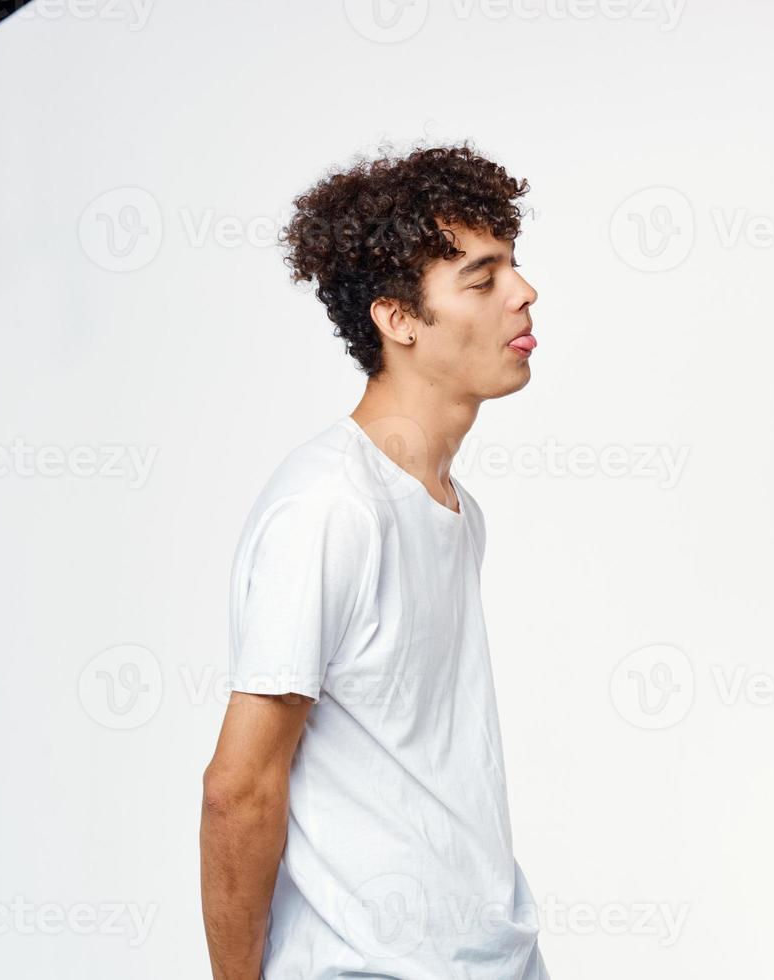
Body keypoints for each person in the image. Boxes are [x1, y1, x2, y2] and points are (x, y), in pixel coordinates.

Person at [199, 144, 546, 980]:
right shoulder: (330, 509)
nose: (524, 292)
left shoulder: (451, 508)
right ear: (398, 319)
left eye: (515, 267)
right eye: (482, 276)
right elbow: (238, 789)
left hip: (490, 955)